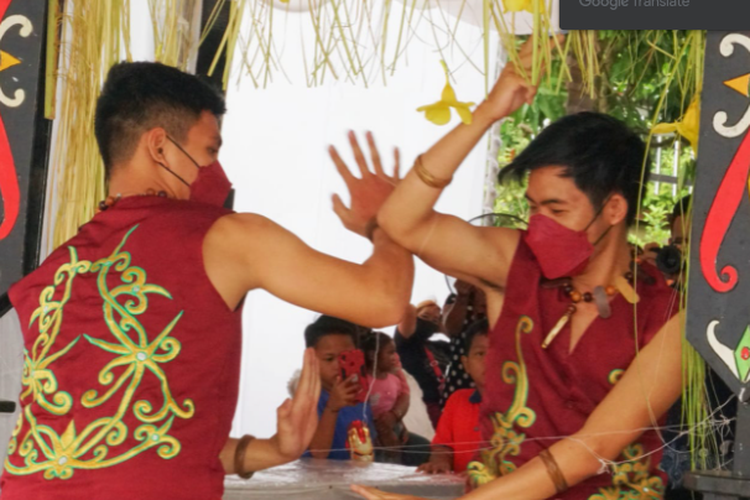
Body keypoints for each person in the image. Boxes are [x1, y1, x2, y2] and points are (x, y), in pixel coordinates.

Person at [1, 62, 414, 499]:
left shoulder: (53, 274)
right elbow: (384, 300)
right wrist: (389, 222)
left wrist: (275, 449)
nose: (215, 169)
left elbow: (142, 440)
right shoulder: (223, 237)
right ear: (159, 146)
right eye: (210, 150)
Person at [349, 37, 683, 500]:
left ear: (614, 209)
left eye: (557, 210)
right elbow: (402, 222)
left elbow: (591, 450)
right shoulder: (516, 263)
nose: (538, 226)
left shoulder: (669, 314)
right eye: (532, 208)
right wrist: (487, 112)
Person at [418, 318, 488, 475]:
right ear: (466, 364)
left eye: (498, 352)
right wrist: (440, 462)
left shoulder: (526, 407)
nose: (488, 360)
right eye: (480, 353)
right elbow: (443, 446)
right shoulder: (458, 400)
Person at [304, 316, 377, 461]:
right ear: (311, 360)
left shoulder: (359, 395)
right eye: (329, 359)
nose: (339, 365)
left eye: (346, 357)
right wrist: (332, 408)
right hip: (320, 480)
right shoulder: (307, 400)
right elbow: (318, 453)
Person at [394, 301, 449, 427]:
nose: (428, 322)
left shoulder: (439, 345)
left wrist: (441, 325)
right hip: (425, 405)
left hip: (448, 403)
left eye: (435, 320)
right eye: (424, 317)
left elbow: (461, 343)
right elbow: (408, 310)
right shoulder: (403, 343)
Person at [439, 280, 487, 407]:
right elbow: (450, 329)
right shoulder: (455, 298)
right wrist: (462, 297)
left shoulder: (497, 294)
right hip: (459, 374)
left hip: (492, 370)